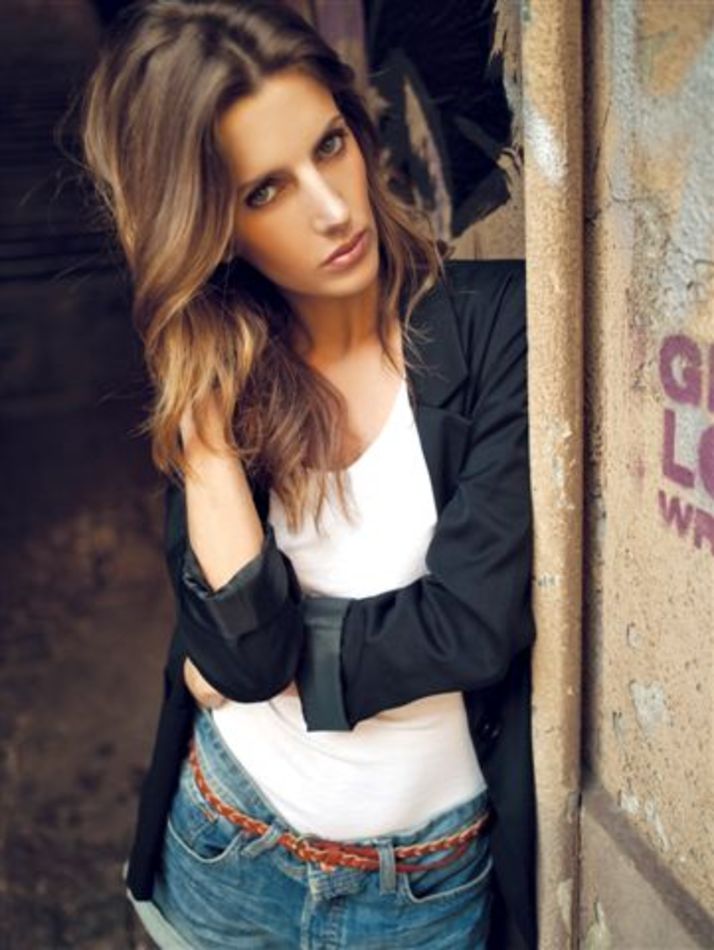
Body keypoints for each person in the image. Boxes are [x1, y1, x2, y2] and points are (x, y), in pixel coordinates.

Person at [79, 1, 538, 947]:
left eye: (330, 146)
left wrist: (281, 655)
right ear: (214, 227)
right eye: (266, 190)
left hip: (419, 889)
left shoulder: (497, 324)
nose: (331, 209)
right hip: (225, 849)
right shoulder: (223, 373)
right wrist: (207, 443)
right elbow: (238, 660)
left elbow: (471, 628)